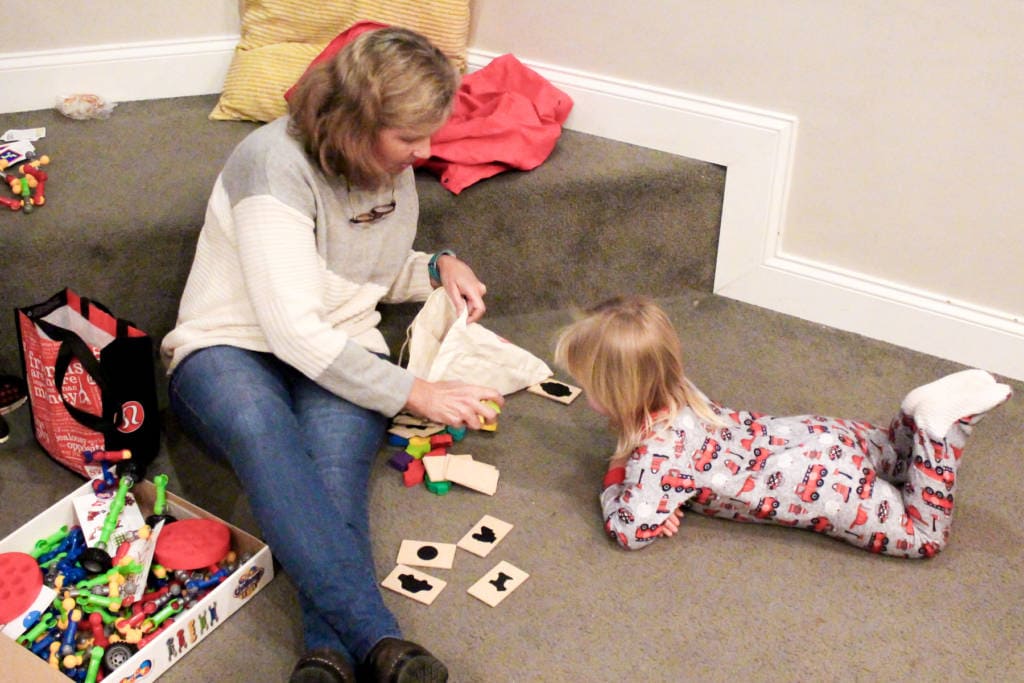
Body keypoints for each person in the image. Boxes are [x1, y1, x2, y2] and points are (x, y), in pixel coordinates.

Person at [161, 28, 503, 683]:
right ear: (353, 125)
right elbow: (293, 330)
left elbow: (354, 272)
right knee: (266, 432)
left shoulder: (388, 168)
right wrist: (414, 392)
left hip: (336, 341)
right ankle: (378, 638)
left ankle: (325, 655)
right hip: (226, 347)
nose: (425, 153)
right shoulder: (271, 166)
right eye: (410, 139)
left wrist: (435, 266)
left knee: (333, 472)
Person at [554, 295, 1012, 559]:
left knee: (922, 536)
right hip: (814, 435)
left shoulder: (655, 457)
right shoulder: (677, 388)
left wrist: (621, 473)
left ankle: (937, 433)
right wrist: (662, 498)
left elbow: (629, 530)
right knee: (886, 453)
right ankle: (909, 421)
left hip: (830, 486)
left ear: (618, 392)